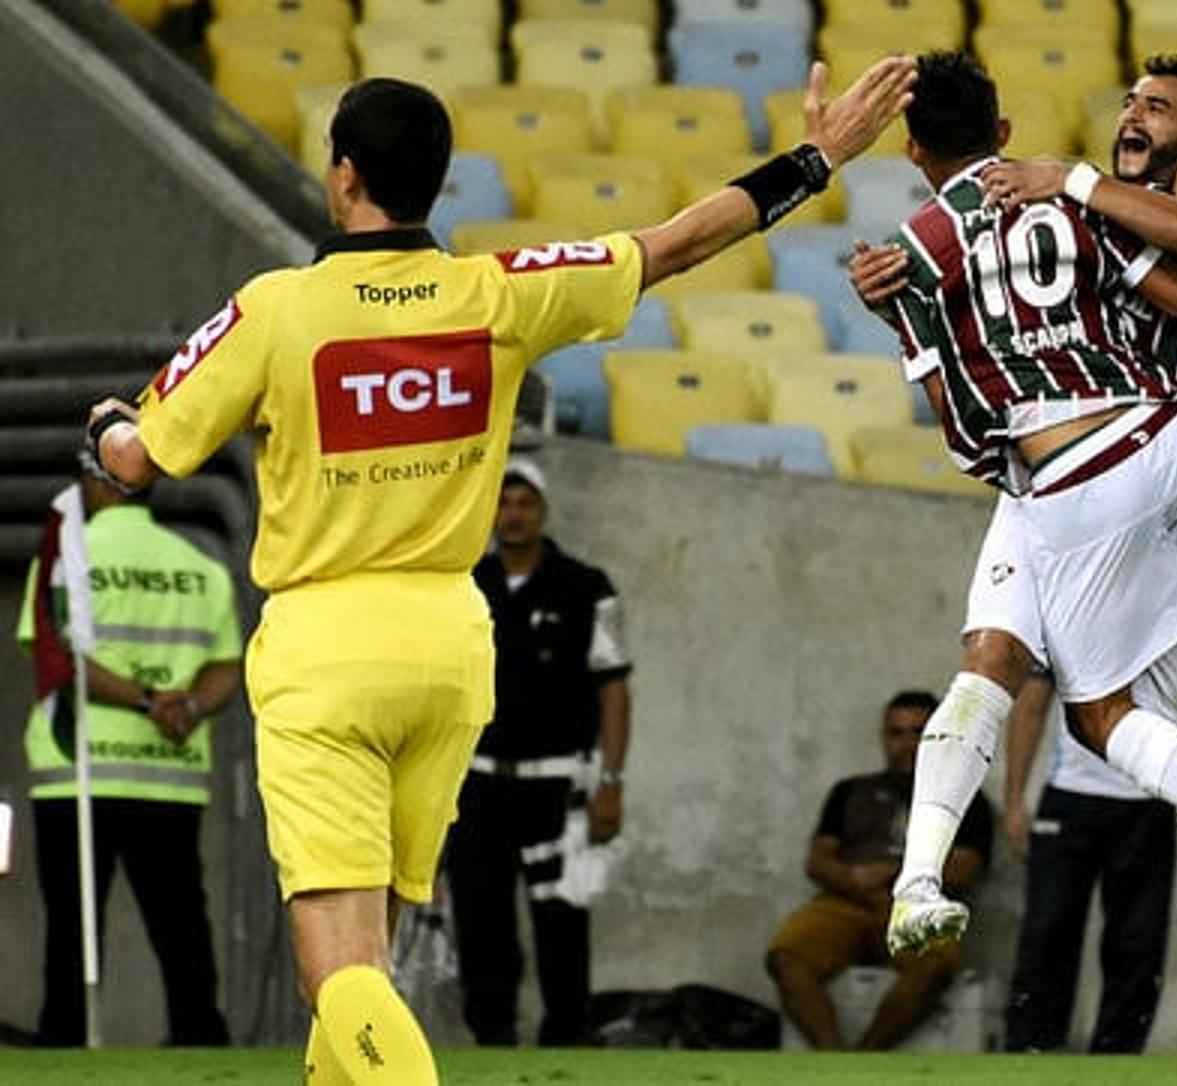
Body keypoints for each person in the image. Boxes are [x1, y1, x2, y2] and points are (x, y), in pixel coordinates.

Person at [83, 58, 914, 1084]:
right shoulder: (500, 293)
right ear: (435, 179)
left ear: (343, 174)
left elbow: (136, 463)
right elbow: (677, 244)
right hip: (447, 646)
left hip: (325, 649)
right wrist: (819, 158)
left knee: (336, 972)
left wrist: (109, 423)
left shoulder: (279, 310)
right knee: (372, 959)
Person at [852, 55, 1177, 1048]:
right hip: (1078, 484)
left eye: (1158, 107)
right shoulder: (1079, 210)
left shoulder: (1168, 203)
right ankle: (917, 882)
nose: (1135, 115)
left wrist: (921, 284)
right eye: (1130, 102)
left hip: (1128, 481)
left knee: (1170, 738)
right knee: (991, 660)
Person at [15, 451, 242, 1046]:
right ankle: (199, 1039)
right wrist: (184, 706)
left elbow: (57, 660)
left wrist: (145, 699)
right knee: (182, 922)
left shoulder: (67, 563)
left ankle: (63, 1037)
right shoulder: (202, 566)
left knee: (72, 923)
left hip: (80, 772)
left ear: (95, 482)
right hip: (170, 773)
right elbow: (225, 666)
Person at [446, 457, 632, 1046]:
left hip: (559, 786)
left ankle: (565, 1041)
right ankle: (491, 1040)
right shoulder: (464, 585)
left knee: (562, 919)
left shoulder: (586, 586)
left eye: (525, 503)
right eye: (503, 503)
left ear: (543, 510)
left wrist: (613, 781)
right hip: (478, 782)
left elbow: (615, 688)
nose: (514, 515)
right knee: (480, 918)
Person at [764, 691, 993, 1051]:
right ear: (883, 737)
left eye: (918, 732)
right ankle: (832, 1057)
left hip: (917, 904)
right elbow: (818, 861)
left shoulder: (965, 796)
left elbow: (965, 870)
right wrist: (854, 880)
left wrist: (894, 873)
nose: (906, 744)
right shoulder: (851, 791)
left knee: (933, 966)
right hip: (848, 900)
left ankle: (866, 1059)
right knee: (785, 957)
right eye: (896, 733)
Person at [1001, 672, 1175, 1054]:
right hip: (1070, 796)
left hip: (1150, 800)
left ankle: (1117, 1056)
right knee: (1048, 930)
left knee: (1138, 940)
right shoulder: (1062, 618)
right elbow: (1030, 708)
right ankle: (1031, 1050)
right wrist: (1014, 799)